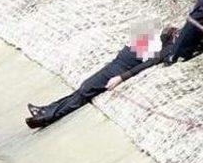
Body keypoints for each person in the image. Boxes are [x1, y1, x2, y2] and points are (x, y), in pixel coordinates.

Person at [25, 21, 183, 129]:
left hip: (119, 69)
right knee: (83, 88)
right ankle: (45, 111)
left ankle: (47, 116)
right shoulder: (164, 40)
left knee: (85, 90)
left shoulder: (167, 49)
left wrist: (121, 78)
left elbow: (146, 64)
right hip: (116, 64)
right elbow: (142, 40)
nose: (176, 32)